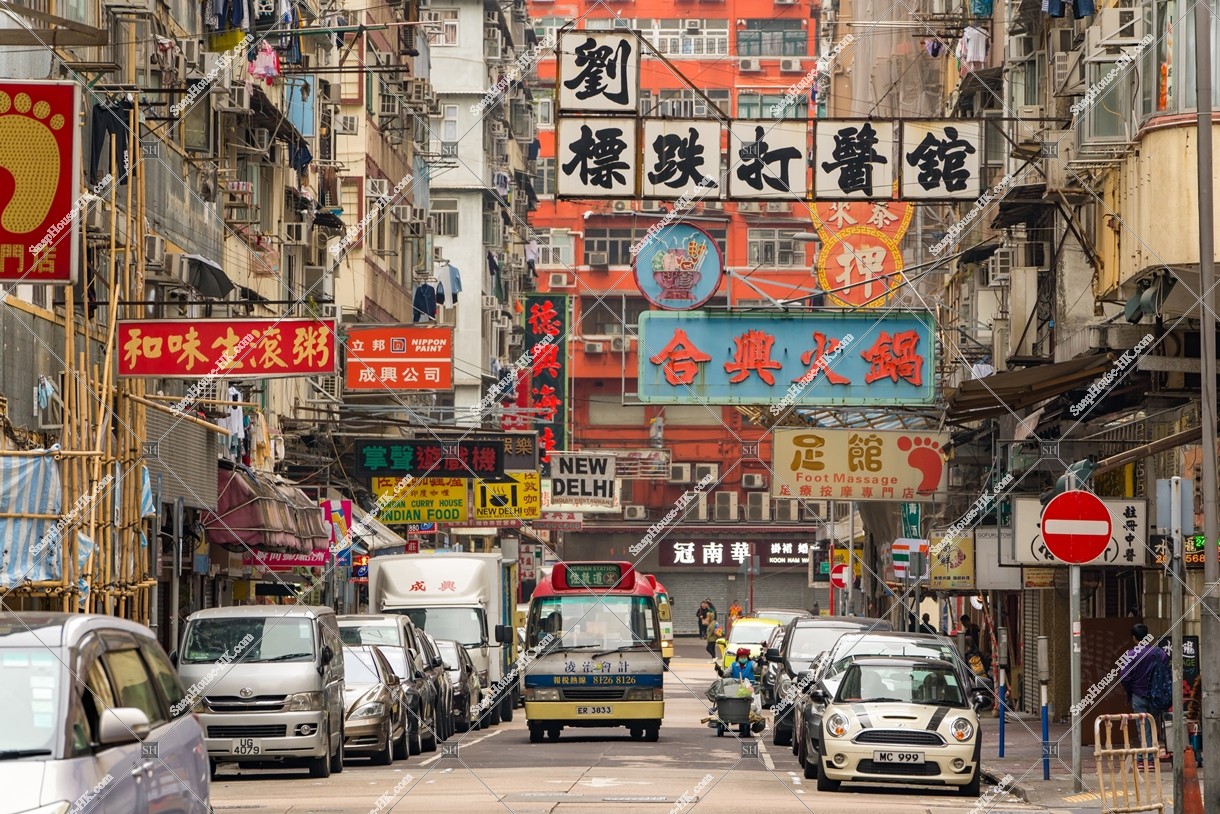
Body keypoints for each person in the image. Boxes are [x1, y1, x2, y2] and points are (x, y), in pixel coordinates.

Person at [1120, 623, 1171, 759]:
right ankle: (1152, 753)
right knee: (1153, 723)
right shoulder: (1159, 653)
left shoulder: (1130, 655)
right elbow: (1166, 665)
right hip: (1157, 696)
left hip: (1138, 695)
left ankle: (1148, 756)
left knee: (1142, 726)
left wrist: (1130, 689)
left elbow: (1124, 677)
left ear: (1134, 638)